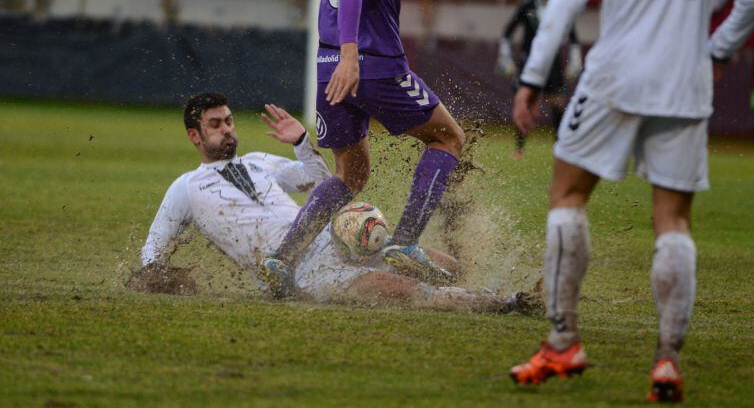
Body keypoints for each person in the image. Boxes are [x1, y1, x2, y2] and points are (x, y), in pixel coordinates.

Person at [509, 0, 754, 402]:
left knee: (568, 194)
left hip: (616, 76)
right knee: (672, 220)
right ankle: (668, 362)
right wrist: (720, 50)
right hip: (685, 79)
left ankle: (563, 341)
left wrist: (532, 79)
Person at [257, 0, 466, 297]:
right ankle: (407, 242)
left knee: (350, 174)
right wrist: (353, 55)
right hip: (369, 63)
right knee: (448, 137)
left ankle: (282, 257)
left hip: (327, 66)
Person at [134, 93, 530, 314]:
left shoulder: (259, 162)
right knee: (406, 292)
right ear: (194, 135)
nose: (227, 130)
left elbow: (323, 185)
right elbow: (153, 245)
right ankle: (508, 304)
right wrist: (156, 275)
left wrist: (302, 141)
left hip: (338, 236)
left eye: (229, 121)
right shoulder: (185, 188)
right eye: (215, 125)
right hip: (301, 270)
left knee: (445, 265)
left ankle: (478, 293)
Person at [497, 0, 582, 158]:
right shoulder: (526, 6)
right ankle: (519, 147)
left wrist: (575, 62)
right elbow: (507, 33)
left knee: (557, 103)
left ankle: (560, 148)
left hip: (553, 63)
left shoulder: (560, 7)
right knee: (524, 104)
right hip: (529, 61)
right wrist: (505, 59)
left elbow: (573, 38)